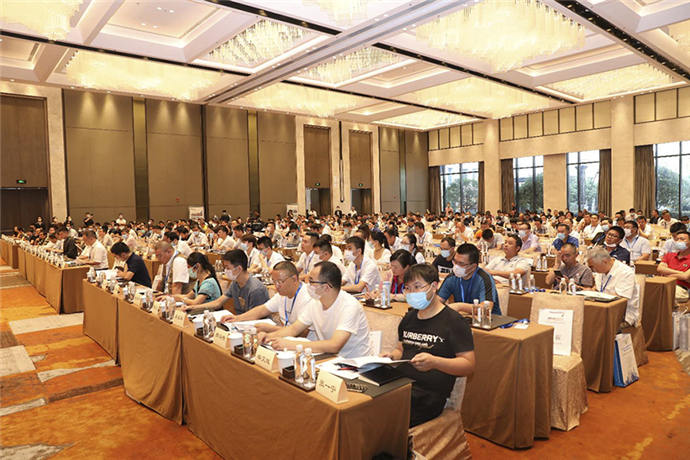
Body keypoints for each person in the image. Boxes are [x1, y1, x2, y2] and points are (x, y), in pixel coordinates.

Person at [382, 263, 475, 427]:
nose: (412, 293)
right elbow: (400, 349)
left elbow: (468, 365)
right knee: (363, 405)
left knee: (381, 418)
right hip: (401, 385)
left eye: (417, 287)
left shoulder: (454, 322)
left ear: (434, 286)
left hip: (427, 395)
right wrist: (391, 356)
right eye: (408, 288)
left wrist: (435, 362)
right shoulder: (409, 318)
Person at [261, 261, 371, 358]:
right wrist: (268, 337)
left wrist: (291, 344)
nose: (307, 284)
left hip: (356, 365)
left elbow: (334, 345)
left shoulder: (350, 305)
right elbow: (294, 329)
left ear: (326, 287)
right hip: (329, 360)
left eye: (311, 281)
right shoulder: (315, 302)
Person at [222, 261, 317, 332]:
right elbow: (262, 310)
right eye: (274, 281)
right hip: (286, 337)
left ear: (294, 279)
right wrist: (237, 318)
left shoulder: (307, 297)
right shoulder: (282, 294)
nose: (276, 286)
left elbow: (302, 333)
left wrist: (271, 329)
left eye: (280, 281)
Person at [195, 249, 270, 314]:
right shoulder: (235, 283)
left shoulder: (256, 289)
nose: (225, 271)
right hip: (240, 321)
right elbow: (218, 303)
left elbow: (255, 316)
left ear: (239, 269)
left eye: (227, 268)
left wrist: (234, 319)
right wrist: (193, 307)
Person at [438, 243, 500, 315]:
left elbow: (486, 309)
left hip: (488, 319)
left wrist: (460, 306)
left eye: (461, 264)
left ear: (473, 266)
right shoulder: (452, 277)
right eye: (455, 262)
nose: (456, 266)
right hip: (463, 318)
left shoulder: (484, 278)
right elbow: (438, 301)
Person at [586, 247, 640, 328]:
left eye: (592, 267)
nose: (592, 270)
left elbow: (621, 300)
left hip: (623, 315)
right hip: (602, 310)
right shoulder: (600, 271)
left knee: (595, 326)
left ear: (604, 261)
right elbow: (598, 289)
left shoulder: (625, 272)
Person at [657, 231, 690, 302]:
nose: (679, 241)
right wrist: (681, 273)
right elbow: (660, 268)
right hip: (663, 284)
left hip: (681, 288)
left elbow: (685, 276)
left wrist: (667, 275)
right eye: (677, 239)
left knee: (662, 295)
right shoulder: (669, 255)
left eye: (682, 239)